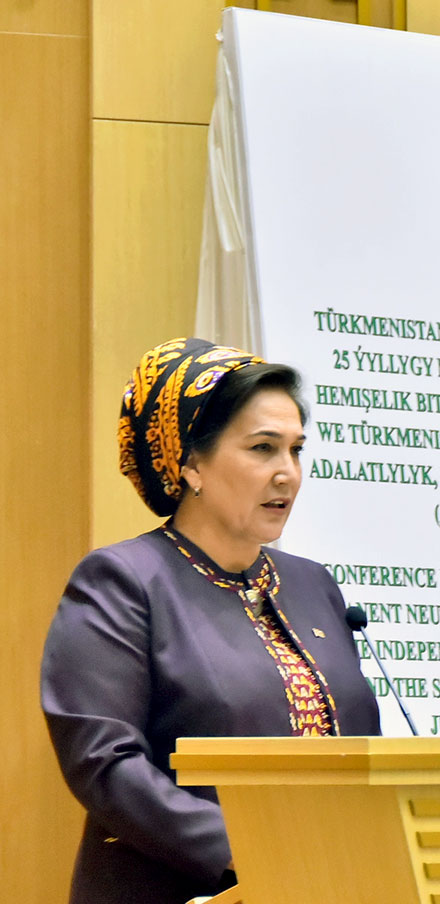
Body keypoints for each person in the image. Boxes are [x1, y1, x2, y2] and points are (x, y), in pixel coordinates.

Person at [41, 337, 381, 904]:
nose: (288, 474)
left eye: (295, 450)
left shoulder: (312, 584)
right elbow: (104, 763)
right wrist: (249, 851)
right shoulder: (123, 581)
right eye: (263, 448)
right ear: (191, 462)